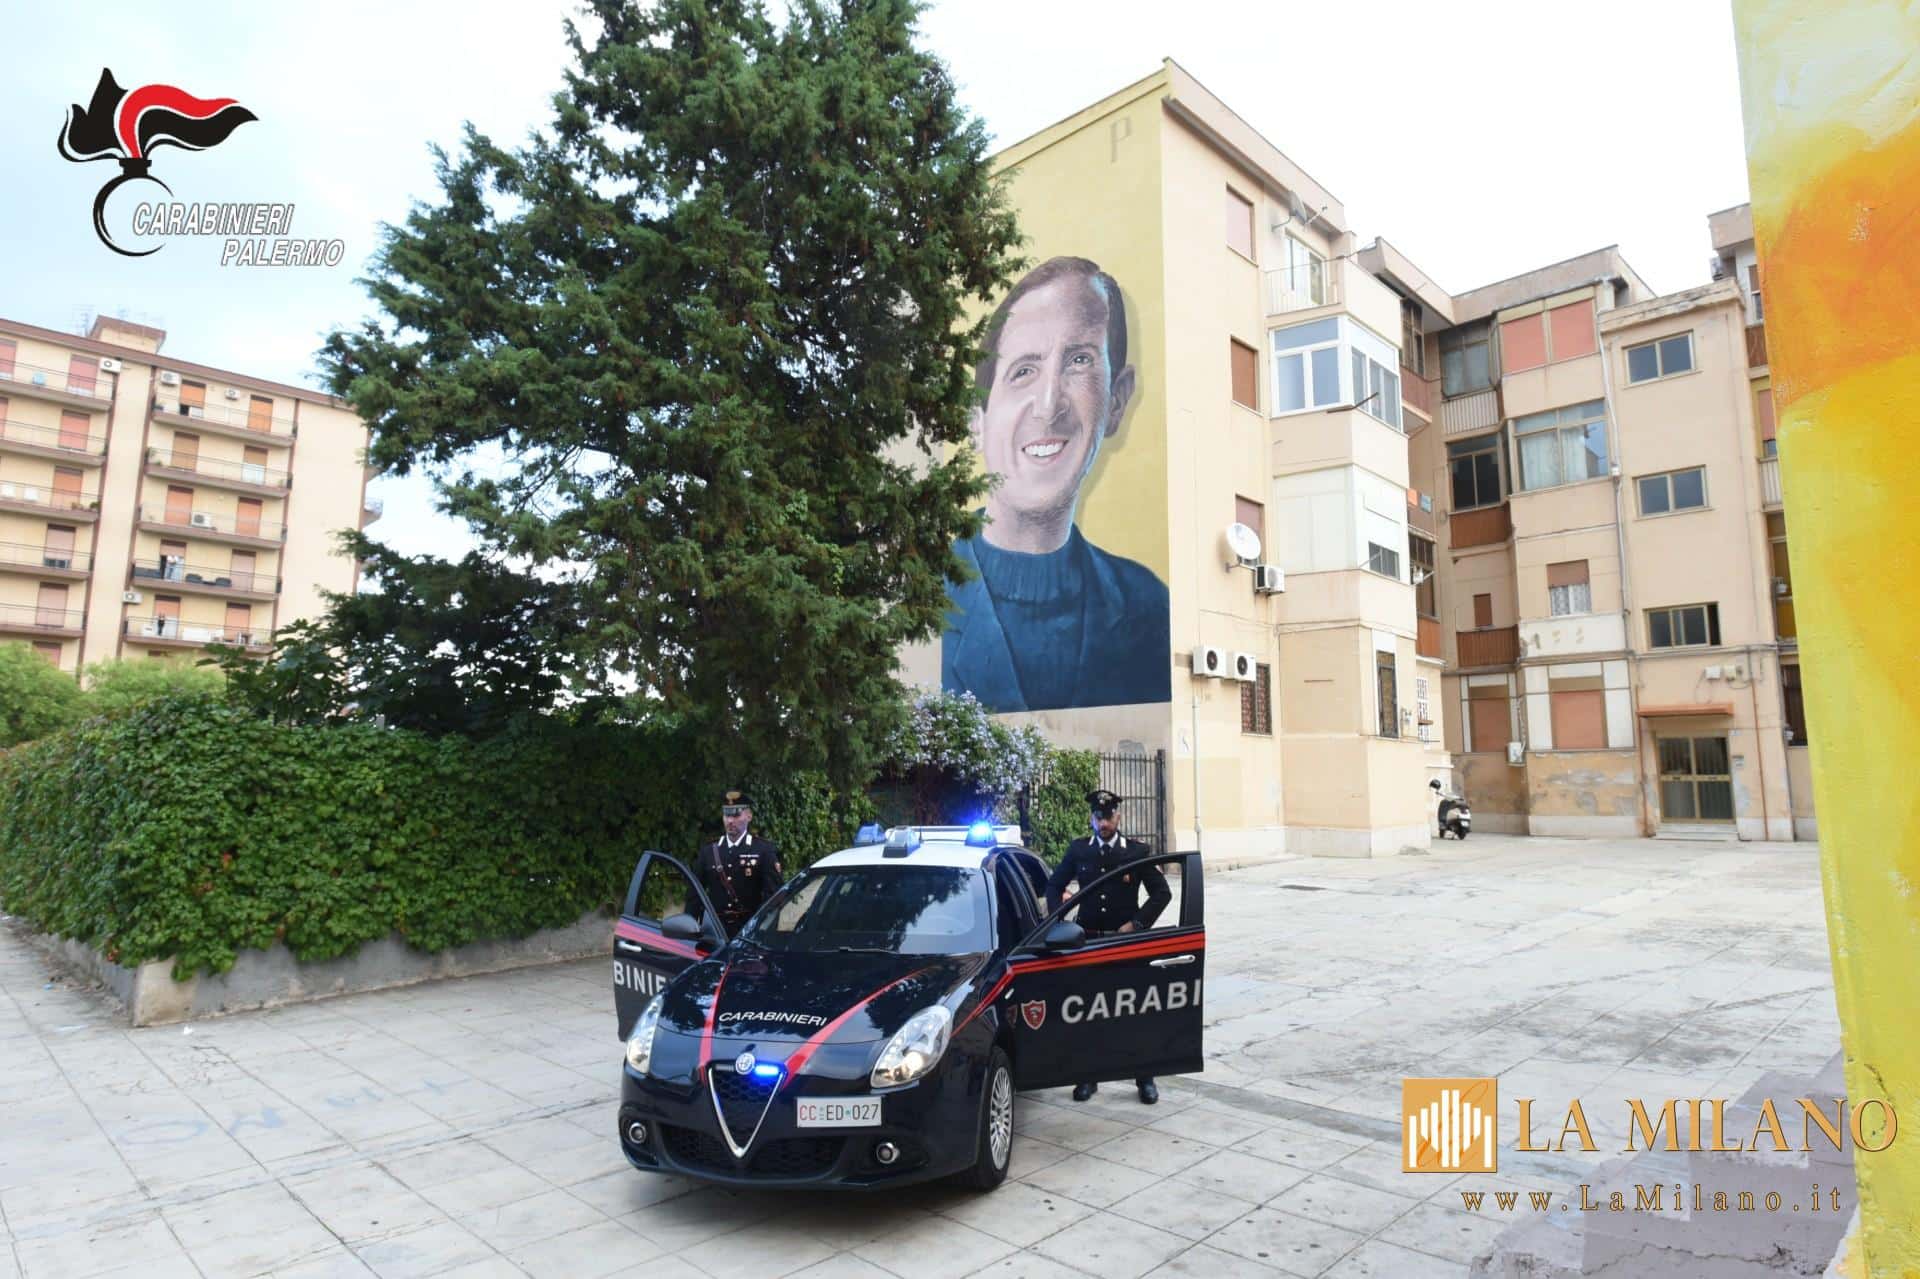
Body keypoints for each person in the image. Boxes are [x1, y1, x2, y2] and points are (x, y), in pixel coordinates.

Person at [942, 256, 1171, 712]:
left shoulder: (1150, 611)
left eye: (1079, 361)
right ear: (976, 420)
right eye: (1023, 371)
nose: (1049, 406)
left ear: (1116, 400)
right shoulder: (917, 598)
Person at [1045, 788, 1171, 1105]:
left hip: (1125, 943)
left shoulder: (1136, 852)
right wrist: (1060, 922)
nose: (1104, 823)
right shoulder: (1079, 850)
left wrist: (1136, 925)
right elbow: (1054, 885)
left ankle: (1144, 1077)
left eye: (1109, 817)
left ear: (1119, 817)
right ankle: (1089, 1076)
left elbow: (1162, 893)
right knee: (1089, 1011)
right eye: (1098, 817)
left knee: (1135, 1010)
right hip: (1088, 941)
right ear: (1092, 818)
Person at [693, 790, 784, 935]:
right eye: (727, 815)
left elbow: (773, 897)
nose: (730, 821)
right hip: (714, 932)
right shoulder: (708, 851)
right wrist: (688, 932)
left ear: (749, 816)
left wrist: (760, 930)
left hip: (749, 932)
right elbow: (694, 895)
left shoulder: (763, 850)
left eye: (736, 815)